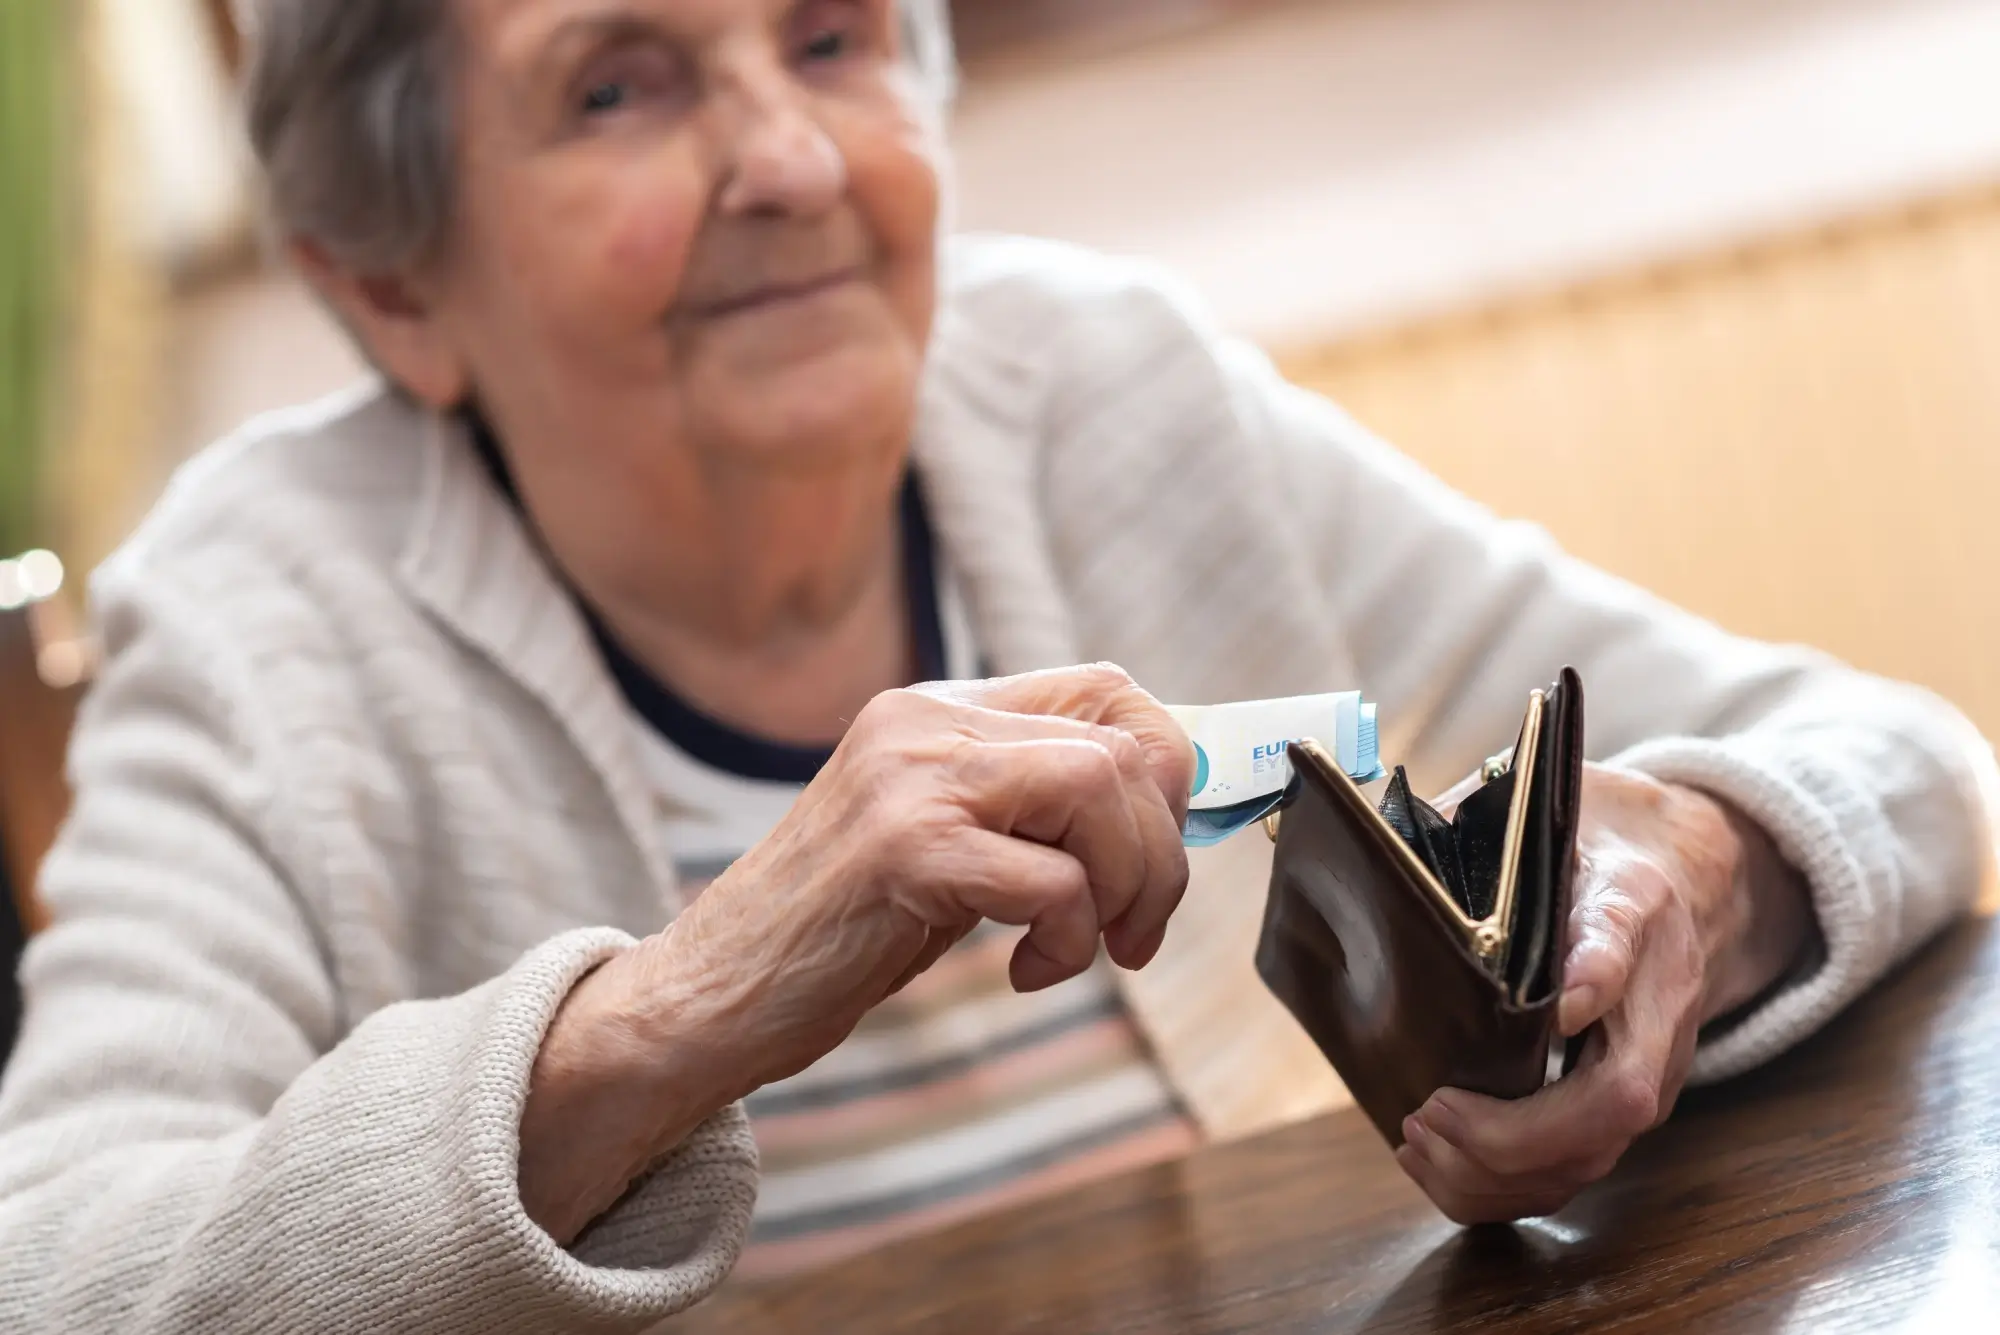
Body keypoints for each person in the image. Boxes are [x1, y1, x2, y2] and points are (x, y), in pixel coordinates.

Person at [0, 0, 1990, 1329]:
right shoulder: (265, 611)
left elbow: (1884, 750)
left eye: (832, 38)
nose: (789, 159)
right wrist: (674, 1008)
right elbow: (56, 1271)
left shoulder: (1097, 386)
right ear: (391, 286)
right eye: (618, 84)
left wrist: (1688, 877)